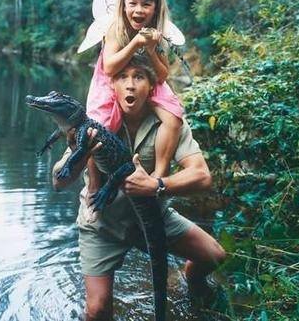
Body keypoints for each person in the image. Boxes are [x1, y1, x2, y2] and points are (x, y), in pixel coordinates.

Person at [53, 55, 226, 321]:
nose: (130, 85)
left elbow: (202, 176)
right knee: (97, 311)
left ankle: (189, 281)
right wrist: (80, 152)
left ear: (151, 85)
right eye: (122, 77)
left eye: (139, 77)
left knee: (213, 256)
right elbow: (58, 181)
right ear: (112, 85)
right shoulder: (96, 121)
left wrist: (157, 184)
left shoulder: (170, 123)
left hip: (154, 214)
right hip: (103, 223)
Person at [86, 0, 183, 185]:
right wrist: (136, 44)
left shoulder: (159, 32)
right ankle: (93, 183)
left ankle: (159, 173)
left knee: (174, 117)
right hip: (112, 78)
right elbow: (110, 68)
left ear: (155, 8)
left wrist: (150, 49)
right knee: (96, 126)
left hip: (147, 78)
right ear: (124, 5)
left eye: (146, 4)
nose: (139, 10)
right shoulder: (115, 29)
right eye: (133, 3)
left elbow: (163, 74)